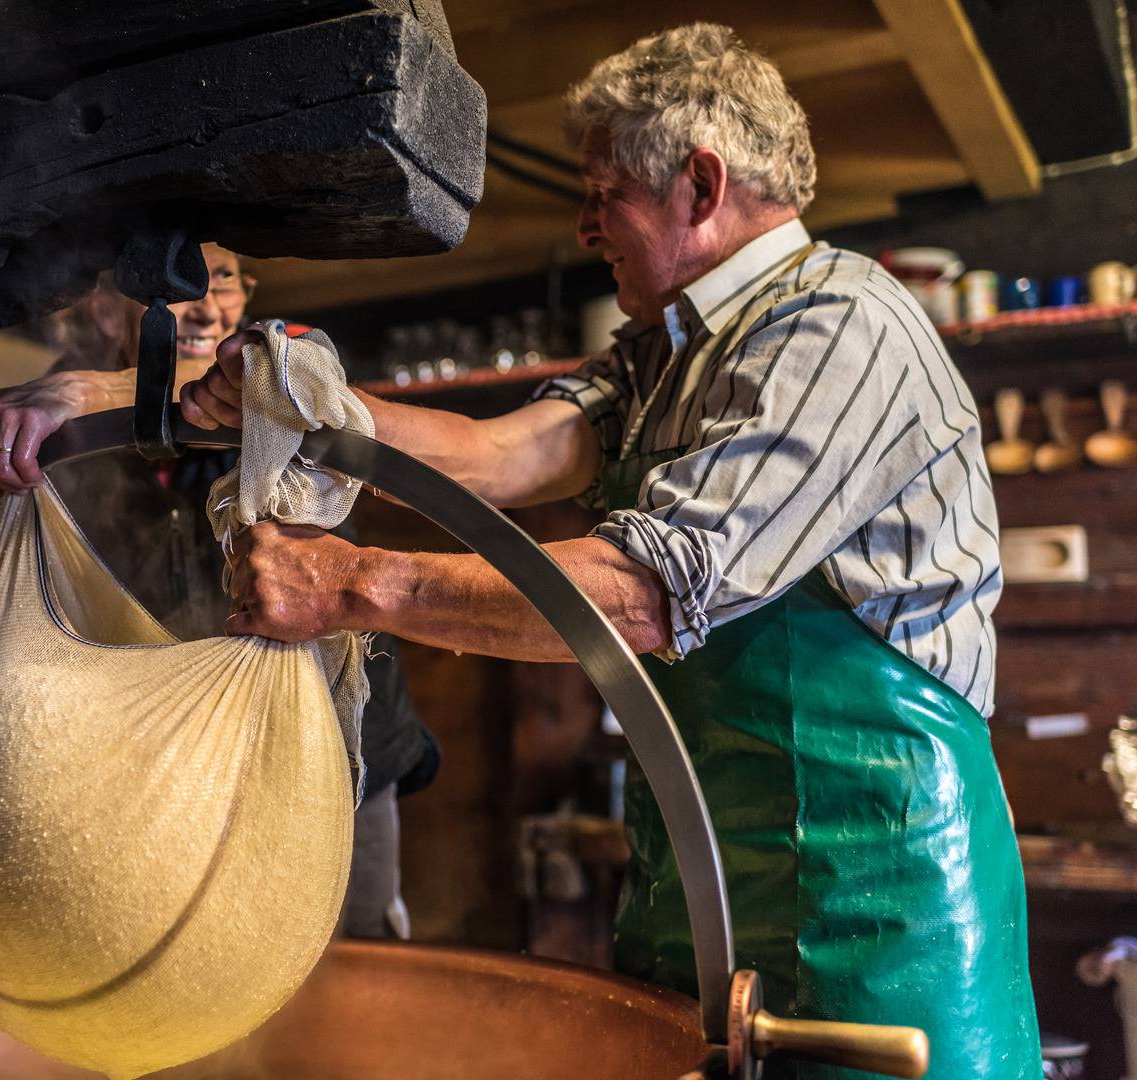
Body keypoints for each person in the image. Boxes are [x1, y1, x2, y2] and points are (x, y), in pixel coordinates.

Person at [178, 24, 1039, 1079]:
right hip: (706, 876)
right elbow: (503, 456)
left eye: (604, 195)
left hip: (876, 904)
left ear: (701, 183)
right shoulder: (666, 346)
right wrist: (318, 405)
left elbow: (637, 598)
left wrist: (352, 582)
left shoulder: (838, 326)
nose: (586, 226)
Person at [0, 243, 437, 941]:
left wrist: (92, 391)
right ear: (100, 303)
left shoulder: (281, 365)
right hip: (157, 766)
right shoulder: (53, 431)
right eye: (183, 285)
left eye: (225, 281)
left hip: (330, 746)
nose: (209, 307)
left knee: (350, 952)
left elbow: (253, 372)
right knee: (174, 954)